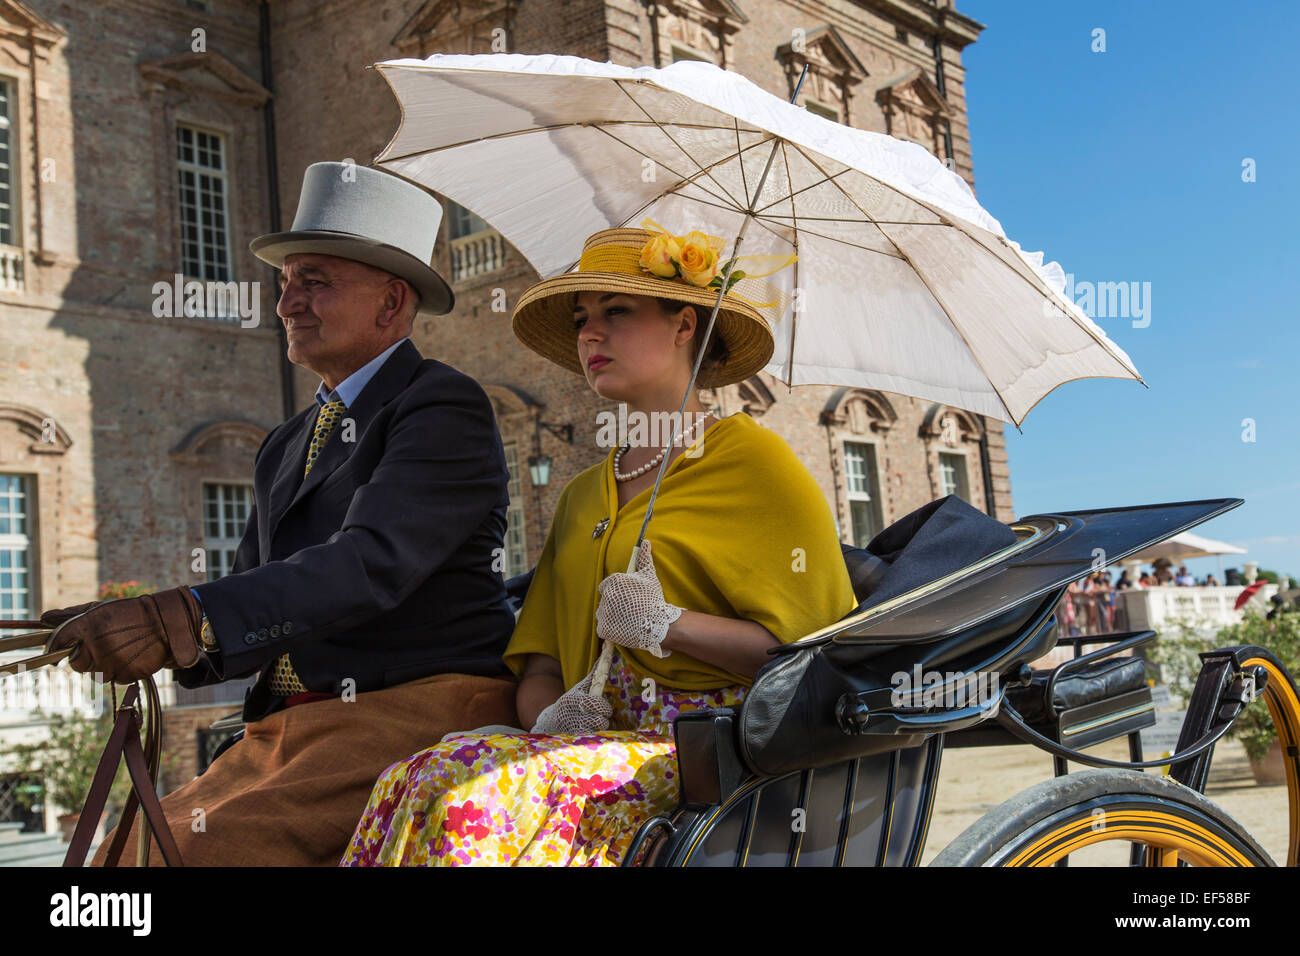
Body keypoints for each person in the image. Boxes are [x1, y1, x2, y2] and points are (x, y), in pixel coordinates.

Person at [39, 163, 520, 865]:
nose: (286, 303)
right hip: (292, 734)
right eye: (285, 283)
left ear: (391, 303)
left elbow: (367, 565)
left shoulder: (440, 404)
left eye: (314, 281)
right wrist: (141, 632)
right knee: (121, 855)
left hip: (419, 714)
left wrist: (181, 613)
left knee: (189, 859)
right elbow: (252, 605)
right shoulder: (285, 443)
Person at [341, 222, 858, 866]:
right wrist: (552, 719)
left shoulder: (758, 464)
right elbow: (540, 664)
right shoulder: (586, 492)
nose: (589, 333)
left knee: (474, 798)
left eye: (617, 312)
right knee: (417, 775)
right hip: (593, 743)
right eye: (584, 317)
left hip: (715, 759)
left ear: (684, 326)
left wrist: (668, 624)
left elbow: (808, 661)